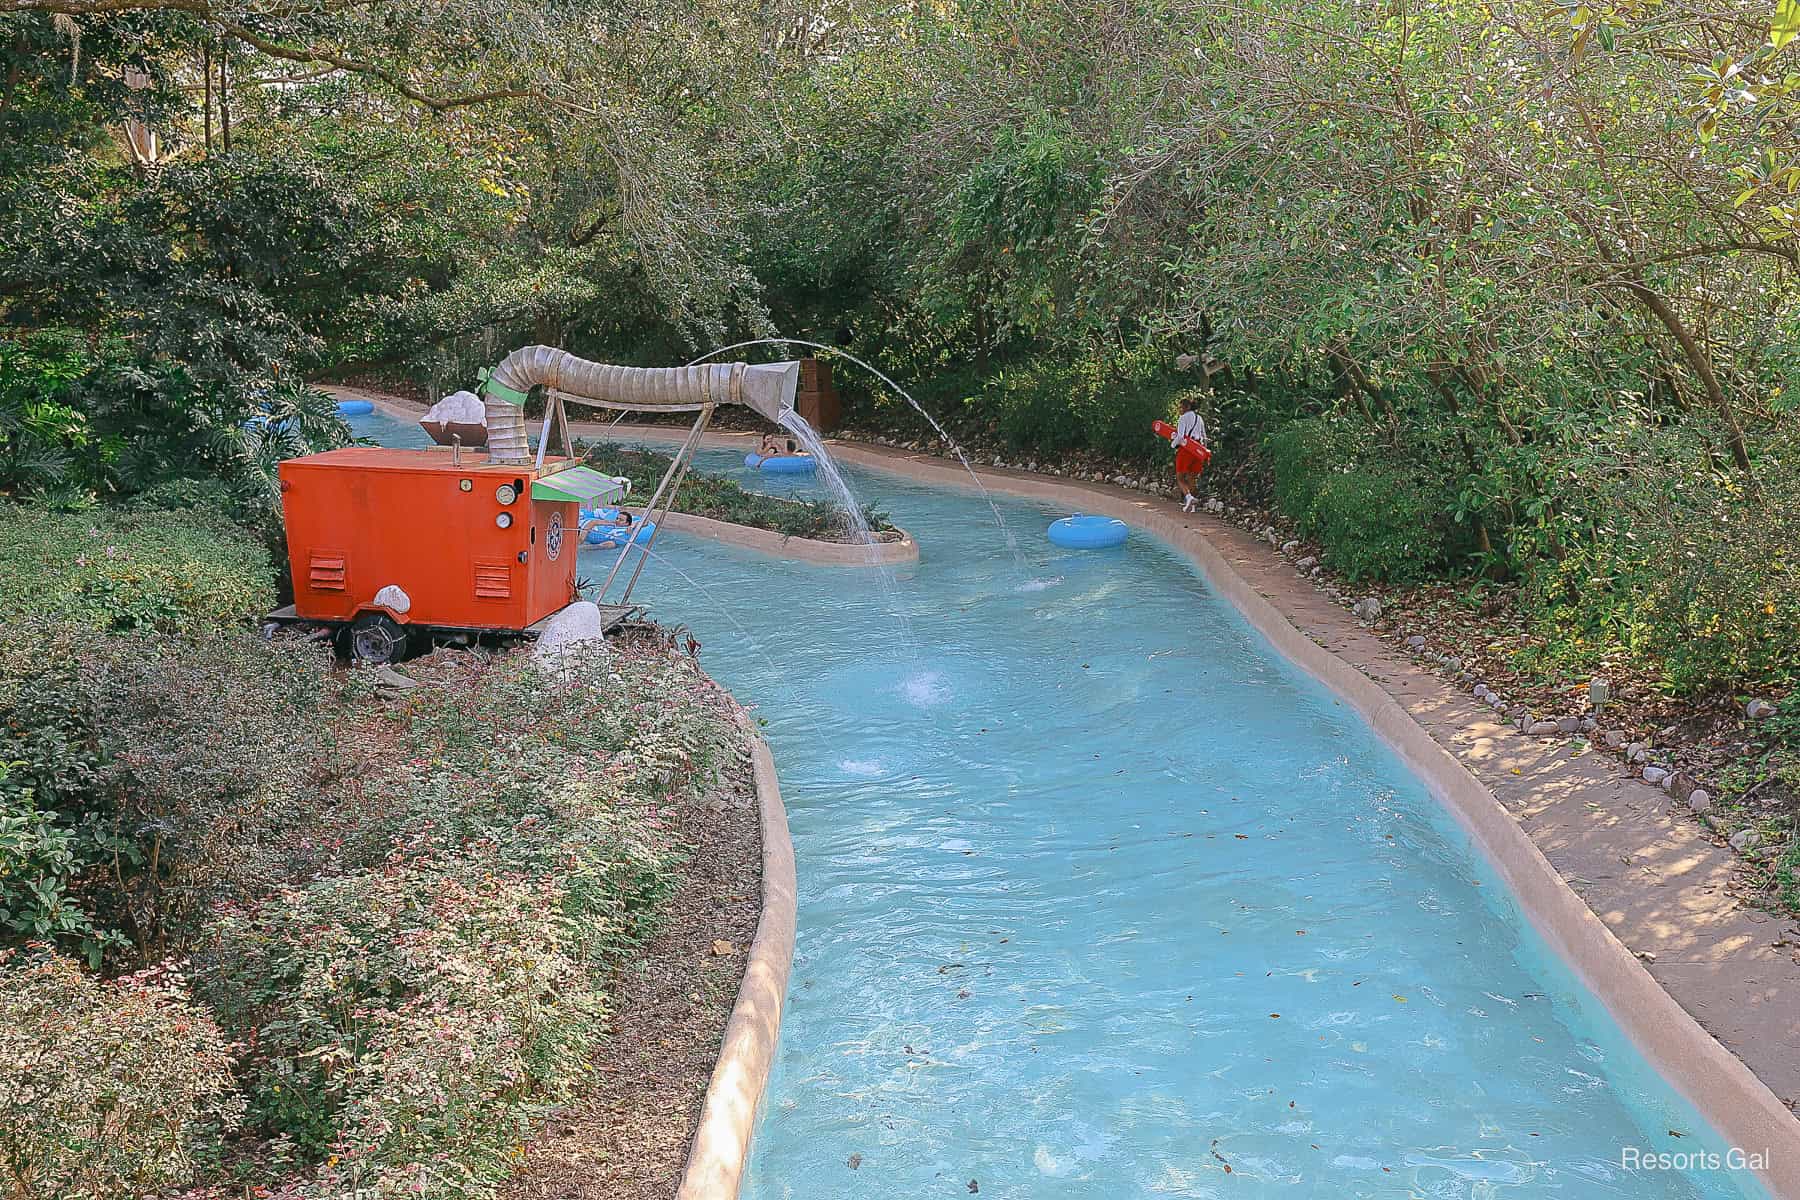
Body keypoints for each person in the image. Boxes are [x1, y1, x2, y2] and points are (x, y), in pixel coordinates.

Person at [1172, 396, 1211, 512]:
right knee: (1192, 477)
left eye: (1181, 407)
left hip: (1186, 448)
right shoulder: (1199, 418)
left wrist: (1173, 445)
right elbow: (1204, 437)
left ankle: (1188, 497)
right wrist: (1204, 452)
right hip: (1198, 449)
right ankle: (1193, 506)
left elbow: (1180, 436)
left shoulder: (1183, 418)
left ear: (1187, 407)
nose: (1180, 409)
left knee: (1179, 477)